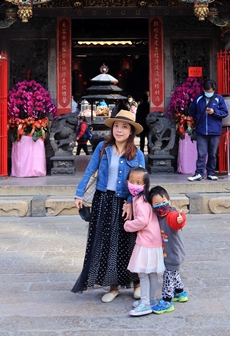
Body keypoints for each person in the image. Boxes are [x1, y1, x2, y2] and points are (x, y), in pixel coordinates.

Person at [72, 110, 146, 303]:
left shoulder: (137, 154)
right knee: (107, 244)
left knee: (130, 244)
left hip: (125, 203)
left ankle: (136, 284)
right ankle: (113, 287)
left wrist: (131, 203)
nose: (119, 130)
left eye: (124, 127)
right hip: (103, 201)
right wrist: (79, 193)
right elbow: (90, 170)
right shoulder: (102, 148)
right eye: (116, 126)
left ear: (131, 132)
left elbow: (142, 182)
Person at [122, 167, 164, 317]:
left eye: (138, 182)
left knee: (143, 273)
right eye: (132, 181)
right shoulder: (143, 199)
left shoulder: (140, 201)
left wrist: (127, 226)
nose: (134, 184)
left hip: (145, 242)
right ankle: (152, 300)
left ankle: (145, 303)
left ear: (145, 184)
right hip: (154, 241)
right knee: (151, 273)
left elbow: (142, 221)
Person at [148, 185, 188, 314]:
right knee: (174, 273)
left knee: (168, 276)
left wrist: (180, 219)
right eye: (157, 203)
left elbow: (178, 221)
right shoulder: (157, 217)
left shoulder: (171, 215)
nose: (161, 205)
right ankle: (180, 293)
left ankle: (167, 300)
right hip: (169, 253)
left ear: (169, 200)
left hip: (174, 253)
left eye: (164, 202)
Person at [187, 80, 229, 182]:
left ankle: (211, 173)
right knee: (201, 153)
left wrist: (214, 112)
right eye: (206, 90)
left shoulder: (219, 99)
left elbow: (225, 113)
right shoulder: (198, 99)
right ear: (203, 90)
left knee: (212, 153)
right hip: (202, 131)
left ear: (213, 90)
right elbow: (191, 111)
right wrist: (198, 118)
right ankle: (199, 173)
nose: (208, 92)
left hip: (214, 131)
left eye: (210, 90)